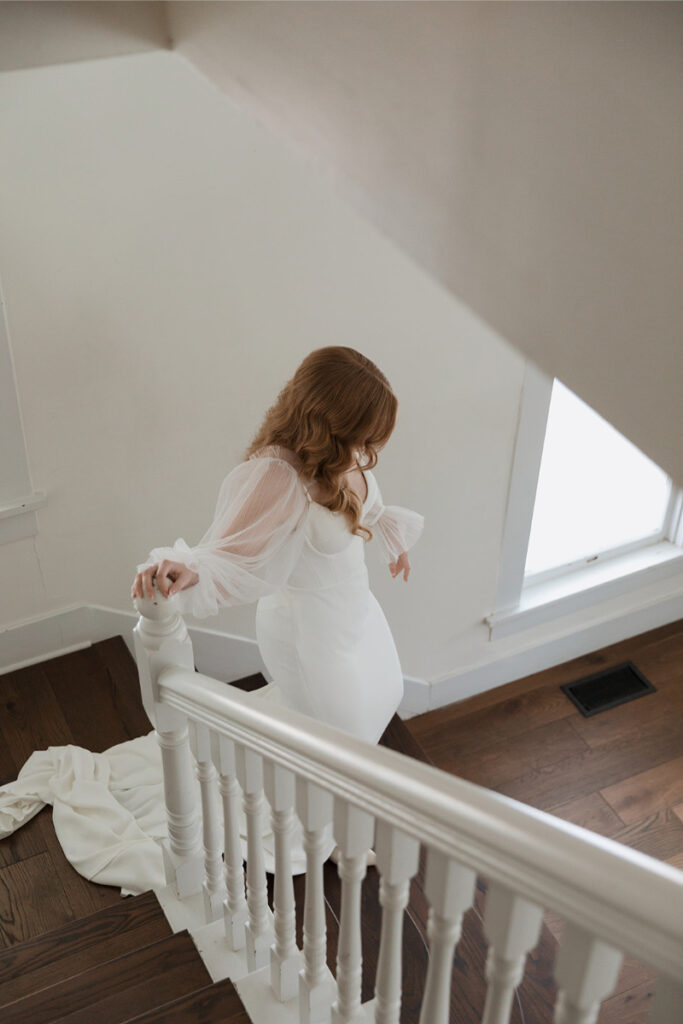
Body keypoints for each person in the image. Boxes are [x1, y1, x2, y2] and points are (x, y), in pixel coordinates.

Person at [131, 346, 424, 872]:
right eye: (364, 433)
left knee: (381, 698)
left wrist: (392, 538)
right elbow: (229, 553)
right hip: (308, 631)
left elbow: (367, 506)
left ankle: (334, 823)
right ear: (332, 421)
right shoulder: (277, 476)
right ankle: (332, 840)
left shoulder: (345, 455)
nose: (369, 449)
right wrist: (187, 568)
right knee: (341, 737)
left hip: (355, 614)